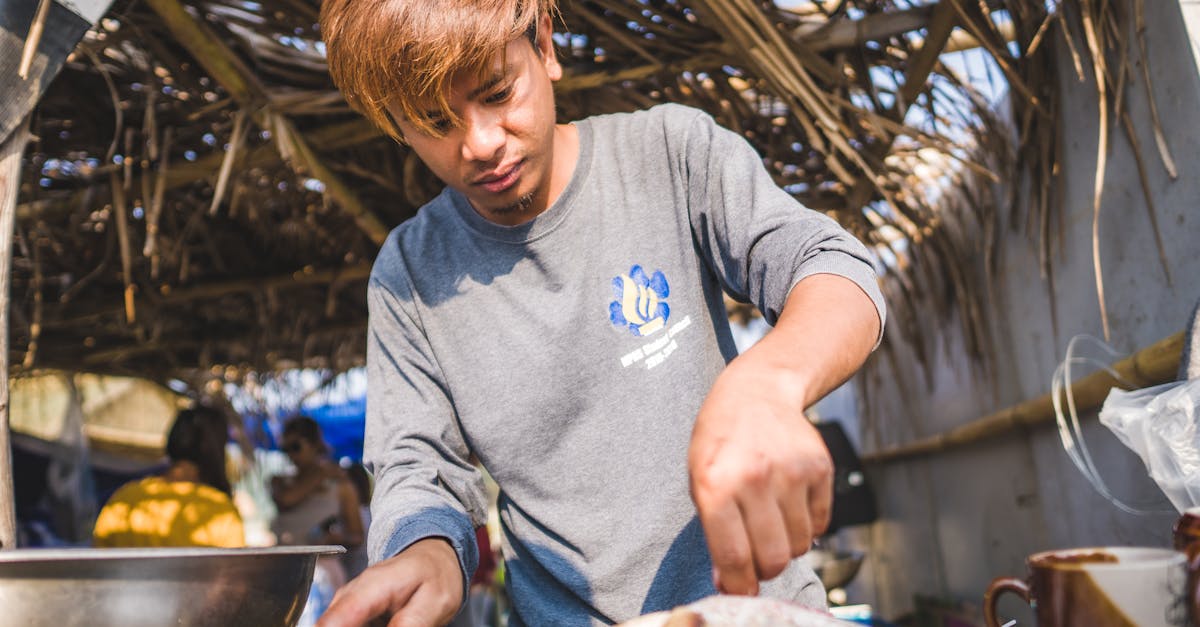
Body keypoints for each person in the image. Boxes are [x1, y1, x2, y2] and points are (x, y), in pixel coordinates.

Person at [316, 1, 885, 625]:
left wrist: (768, 384)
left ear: (546, 47)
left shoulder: (670, 154)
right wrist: (423, 553)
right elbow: (418, 468)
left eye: (498, 93)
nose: (479, 144)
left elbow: (830, 266)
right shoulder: (408, 276)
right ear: (395, 123)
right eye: (432, 122)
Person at [93, 405, 244, 548]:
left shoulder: (124, 499)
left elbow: (99, 560)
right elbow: (234, 571)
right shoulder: (219, 510)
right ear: (216, 451)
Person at [272, 416, 367, 626]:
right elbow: (288, 499)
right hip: (283, 571)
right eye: (285, 449)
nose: (290, 455)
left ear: (315, 445)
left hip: (322, 574)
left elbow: (357, 536)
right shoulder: (280, 483)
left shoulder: (342, 487)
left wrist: (335, 538)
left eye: (295, 446)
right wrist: (321, 473)